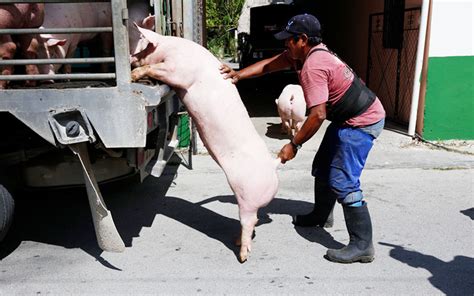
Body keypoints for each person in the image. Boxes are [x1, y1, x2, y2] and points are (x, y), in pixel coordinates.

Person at [220, 13, 385, 264]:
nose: (285, 43)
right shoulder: (306, 52)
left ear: (303, 39)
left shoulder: (313, 66)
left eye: (289, 39)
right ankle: (321, 215)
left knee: (343, 179)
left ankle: (362, 245)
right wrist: (239, 75)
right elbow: (270, 65)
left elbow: (317, 115)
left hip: (363, 121)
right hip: (347, 117)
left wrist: (294, 144)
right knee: (322, 166)